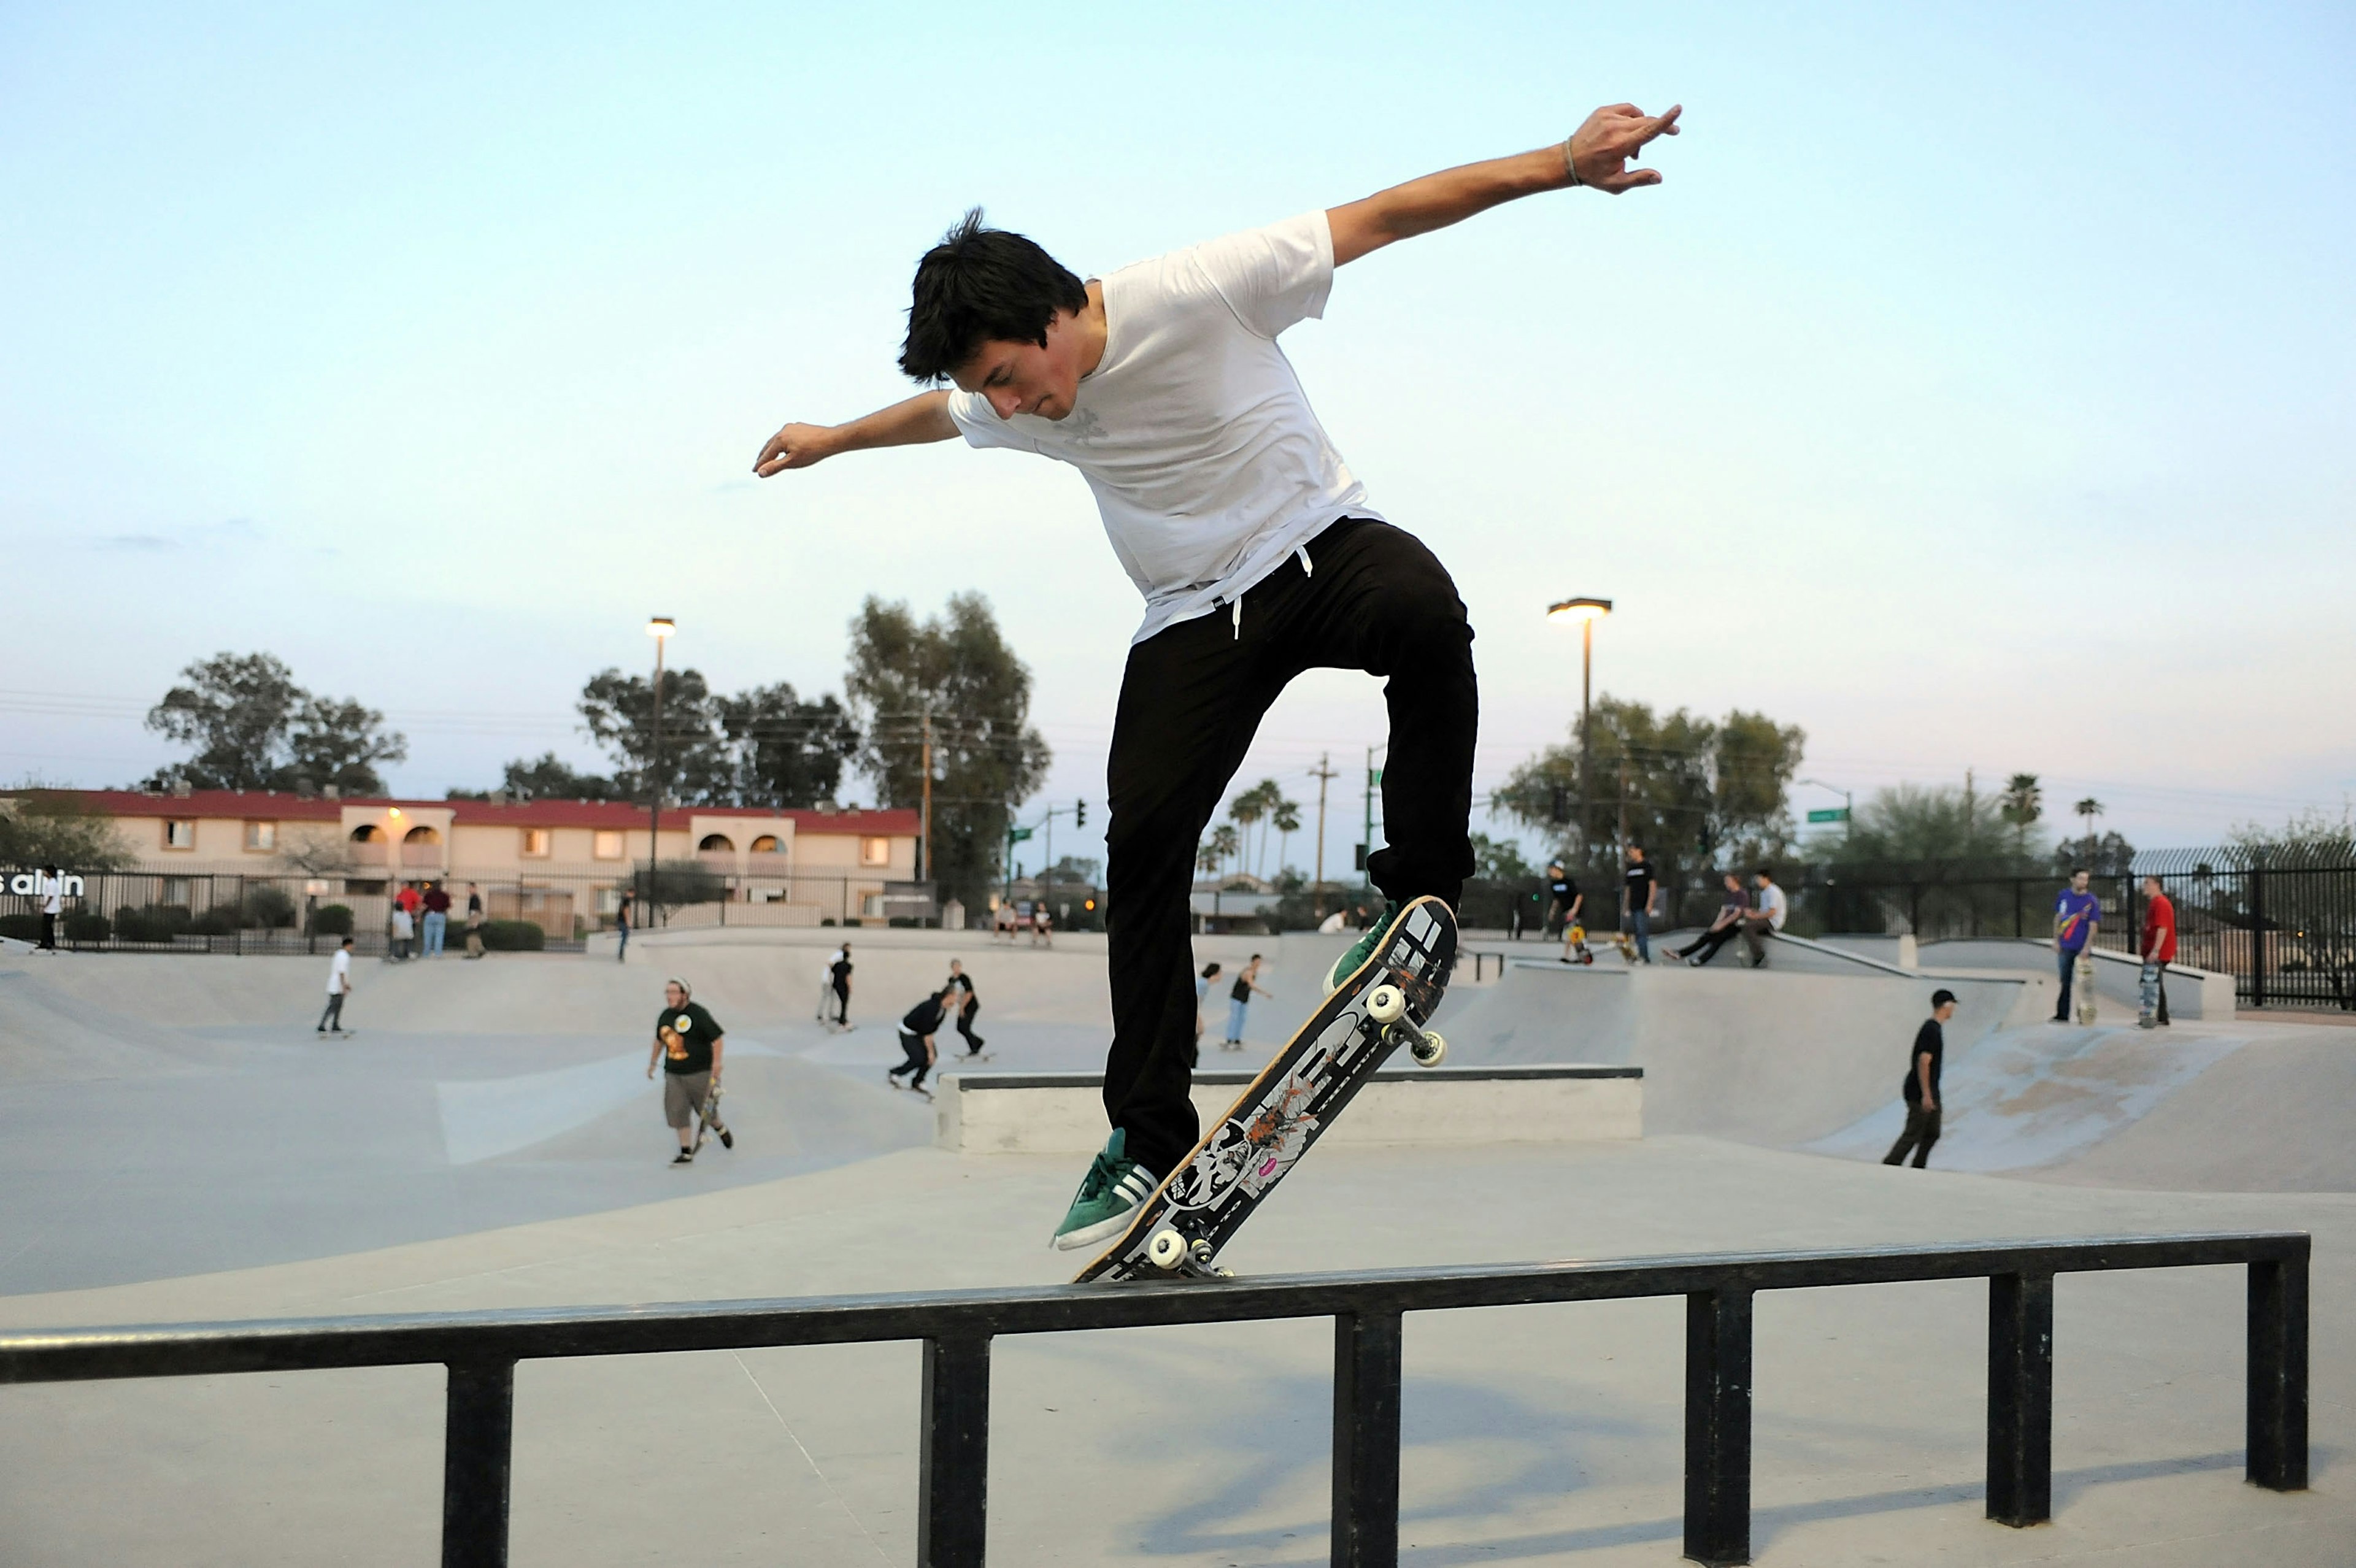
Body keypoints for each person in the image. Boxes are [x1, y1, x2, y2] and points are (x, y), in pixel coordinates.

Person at [751, 101, 1684, 1251]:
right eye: (989, 390)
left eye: (1006, 375)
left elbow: (1389, 215)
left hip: (1319, 544)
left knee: (1427, 616)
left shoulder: (1198, 286)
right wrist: (830, 438)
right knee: (1141, 843)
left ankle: (1417, 896)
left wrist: (1562, 165)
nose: (1007, 406)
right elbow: (932, 418)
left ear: (1055, 315)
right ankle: (1147, 1136)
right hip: (1191, 618)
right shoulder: (1007, 398)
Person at [647, 977, 730, 1165]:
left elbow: (717, 1039)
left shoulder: (699, 1014)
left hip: (700, 1072)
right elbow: (659, 1040)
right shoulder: (665, 1016)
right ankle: (686, 1151)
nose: (670, 997)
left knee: (706, 1111)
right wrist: (653, 1063)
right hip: (674, 1073)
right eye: (668, 992)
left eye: (674, 992)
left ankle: (720, 1127)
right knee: (678, 1111)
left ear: (685, 994)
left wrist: (717, 1063)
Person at [1883, 989, 1957, 1169]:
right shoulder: (1930, 1029)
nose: (1954, 1010)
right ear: (1946, 1005)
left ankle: (1918, 1169)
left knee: (1933, 1132)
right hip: (1920, 1090)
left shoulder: (1935, 1029)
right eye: (1953, 1005)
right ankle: (1889, 1166)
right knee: (1913, 1133)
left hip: (1930, 1090)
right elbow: (1924, 1061)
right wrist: (1926, 1094)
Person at [2052, 867, 2102, 1023]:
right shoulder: (2064, 896)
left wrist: (2087, 947)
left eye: (2086, 879)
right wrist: (2056, 940)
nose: (2083, 882)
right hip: (2066, 944)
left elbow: (2093, 925)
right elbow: (2058, 918)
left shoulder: (2091, 900)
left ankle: (2085, 1015)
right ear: (2073, 879)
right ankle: (2062, 1014)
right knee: (2065, 981)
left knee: (2084, 984)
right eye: (2080, 878)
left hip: (2081, 947)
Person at [1669, 873, 1749, 966]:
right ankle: (1680, 953)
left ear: (1735, 881)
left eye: (1728, 881)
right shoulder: (1729, 894)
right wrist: (1715, 925)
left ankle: (1700, 960)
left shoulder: (1742, 894)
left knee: (1718, 939)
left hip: (1737, 924)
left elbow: (1736, 914)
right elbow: (1723, 912)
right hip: (1725, 923)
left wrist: (1722, 925)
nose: (1726, 883)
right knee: (1706, 936)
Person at [891, 984, 956, 1098]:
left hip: (920, 1033)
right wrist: (930, 1052)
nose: (956, 1000)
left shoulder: (942, 1009)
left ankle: (918, 1081)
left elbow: (930, 1031)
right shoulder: (933, 1007)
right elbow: (927, 1034)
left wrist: (931, 1053)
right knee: (919, 1058)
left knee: (932, 1057)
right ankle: (895, 1073)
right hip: (908, 1032)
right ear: (949, 996)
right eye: (955, 997)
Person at [2138, 875, 2175, 1028]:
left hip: (2159, 952)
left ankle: (2160, 1016)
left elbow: (2162, 928)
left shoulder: (2161, 903)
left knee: (2153, 983)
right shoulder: (2155, 903)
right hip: (2152, 951)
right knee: (2154, 983)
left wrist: (2156, 950)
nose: (2144, 886)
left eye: (2147, 883)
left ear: (2157, 885)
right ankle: (2160, 1016)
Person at [1223, 954, 1272, 1050]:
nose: (1259, 964)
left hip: (1244, 999)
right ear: (1253, 962)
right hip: (1237, 998)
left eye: (1260, 962)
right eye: (1257, 962)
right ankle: (1230, 1040)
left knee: (1242, 1019)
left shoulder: (1254, 972)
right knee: (1234, 1018)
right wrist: (1265, 993)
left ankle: (1237, 1039)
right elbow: (1251, 985)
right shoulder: (1248, 972)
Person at [1742, 868, 1787, 967]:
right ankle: (1753, 951)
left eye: (1758, 879)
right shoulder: (1764, 892)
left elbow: (1772, 912)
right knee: (1742, 924)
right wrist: (1753, 913)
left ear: (1765, 879)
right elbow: (1763, 912)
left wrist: (1756, 916)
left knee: (1748, 928)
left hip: (1773, 922)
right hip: (1766, 920)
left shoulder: (1773, 891)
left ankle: (1759, 954)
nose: (1757, 882)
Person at [1622, 845, 1658, 963]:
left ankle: (1644, 956)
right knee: (1636, 932)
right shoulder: (1630, 869)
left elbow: (1652, 886)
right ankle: (1638, 955)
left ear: (1639, 851)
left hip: (1643, 904)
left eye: (1632, 851)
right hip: (1633, 904)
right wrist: (1625, 906)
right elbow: (1628, 889)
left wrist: (1650, 903)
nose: (1630, 854)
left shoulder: (1647, 867)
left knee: (1642, 931)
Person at [945, 959, 987, 1058]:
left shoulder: (964, 978)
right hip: (962, 1005)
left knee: (964, 1027)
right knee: (960, 1028)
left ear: (960, 967)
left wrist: (962, 1008)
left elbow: (969, 993)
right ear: (952, 968)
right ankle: (978, 1042)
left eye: (958, 966)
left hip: (971, 1005)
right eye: (954, 967)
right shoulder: (951, 980)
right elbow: (952, 994)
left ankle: (975, 1047)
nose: (956, 968)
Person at [1547, 862, 1585, 964]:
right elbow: (1557, 899)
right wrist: (1552, 911)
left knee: (1573, 933)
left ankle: (1579, 954)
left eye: (1552, 869)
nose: (1550, 872)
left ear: (1558, 869)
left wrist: (1574, 910)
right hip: (1566, 912)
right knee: (1569, 933)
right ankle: (1570, 955)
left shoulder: (1569, 882)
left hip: (1574, 911)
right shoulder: (1554, 884)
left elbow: (1579, 896)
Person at [317, 936, 355, 1034]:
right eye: (352, 946)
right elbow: (341, 972)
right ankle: (322, 1024)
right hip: (337, 985)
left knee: (339, 1006)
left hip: (338, 984)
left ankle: (335, 1025)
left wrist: (347, 985)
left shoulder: (339, 954)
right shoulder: (343, 956)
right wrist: (343, 987)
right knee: (333, 1006)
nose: (353, 948)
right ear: (349, 945)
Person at [1194, 962, 1222, 1051]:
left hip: (1196, 1010)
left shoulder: (1204, 983)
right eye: (1220, 973)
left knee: (1199, 1031)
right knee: (1200, 1030)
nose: (1221, 976)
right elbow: (1196, 1000)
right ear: (1215, 974)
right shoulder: (1203, 984)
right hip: (1193, 1010)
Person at [420, 882, 452, 958]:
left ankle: (426, 953)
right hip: (441, 915)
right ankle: (438, 954)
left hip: (430, 915)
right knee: (439, 936)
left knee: (428, 936)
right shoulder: (445, 895)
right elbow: (448, 906)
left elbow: (424, 905)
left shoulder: (429, 895)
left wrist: (420, 915)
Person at [36, 864, 62, 953]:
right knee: (48, 926)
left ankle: (45, 943)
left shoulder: (52, 883)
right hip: (51, 908)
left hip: (51, 909)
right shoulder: (52, 882)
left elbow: (51, 896)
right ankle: (50, 942)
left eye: (45, 871)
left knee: (46, 926)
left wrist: (45, 906)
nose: (44, 873)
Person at [828, 942, 854, 1029]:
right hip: (844, 986)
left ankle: (842, 1019)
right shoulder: (848, 966)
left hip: (836, 986)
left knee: (840, 1002)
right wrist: (850, 987)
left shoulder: (837, 965)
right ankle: (842, 1021)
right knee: (844, 1004)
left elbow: (832, 969)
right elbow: (848, 977)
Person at [463, 883, 486, 959]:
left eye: (470, 888)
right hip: (474, 916)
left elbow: (476, 910)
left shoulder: (475, 898)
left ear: (474, 888)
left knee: (470, 933)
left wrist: (475, 921)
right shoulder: (474, 897)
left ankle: (472, 953)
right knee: (474, 934)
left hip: (474, 916)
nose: (469, 890)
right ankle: (480, 949)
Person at [388, 899, 415, 963]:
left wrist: (393, 933)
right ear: (403, 907)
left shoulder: (394, 914)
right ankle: (409, 953)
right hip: (409, 934)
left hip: (398, 934)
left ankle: (393, 954)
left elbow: (393, 924)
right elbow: (411, 922)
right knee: (408, 940)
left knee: (394, 941)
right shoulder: (407, 913)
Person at [615, 890, 633, 964]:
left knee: (624, 936)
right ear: (630, 893)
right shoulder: (627, 900)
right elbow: (626, 911)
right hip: (624, 921)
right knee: (625, 936)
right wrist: (628, 922)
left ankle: (621, 953)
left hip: (620, 920)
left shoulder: (623, 899)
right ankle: (622, 953)